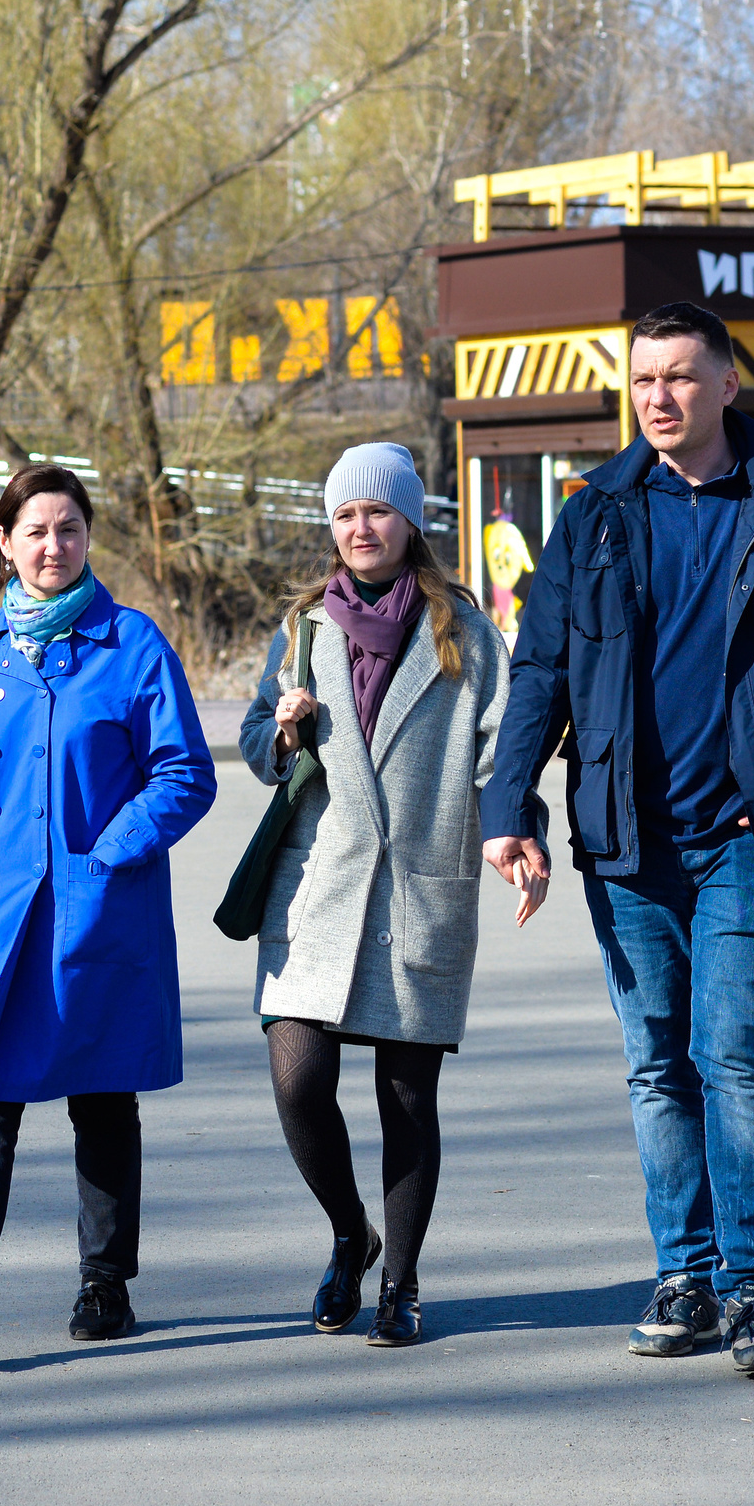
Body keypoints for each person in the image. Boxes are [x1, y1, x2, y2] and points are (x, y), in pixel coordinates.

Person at [480, 301, 754, 1378]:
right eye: (643, 377)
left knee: (735, 1052)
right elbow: (542, 669)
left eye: (679, 376)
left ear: (726, 384)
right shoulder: (596, 511)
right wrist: (505, 805)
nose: (658, 395)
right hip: (623, 838)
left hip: (747, 834)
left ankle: (751, 1282)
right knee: (657, 1061)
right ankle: (684, 1273)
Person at [0, 464, 216, 1365]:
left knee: (102, 1093)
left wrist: (110, 852)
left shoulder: (132, 644)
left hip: (95, 908)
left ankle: (104, 1282)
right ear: (4, 540)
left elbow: (185, 773)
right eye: (35, 530)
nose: (52, 546)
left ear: (87, 539)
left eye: (68, 529)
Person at [238, 443, 510, 1347]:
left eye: (378, 511)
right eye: (346, 514)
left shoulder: (467, 635)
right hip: (317, 888)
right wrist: (279, 733)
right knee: (298, 1078)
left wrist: (522, 830)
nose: (361, 527)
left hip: (417, 889)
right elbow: (251, 738)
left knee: (406, 1099)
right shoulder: (304, 627)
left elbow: (504, 754)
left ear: (410, 521)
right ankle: (349, 1232)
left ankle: (401, 1281)